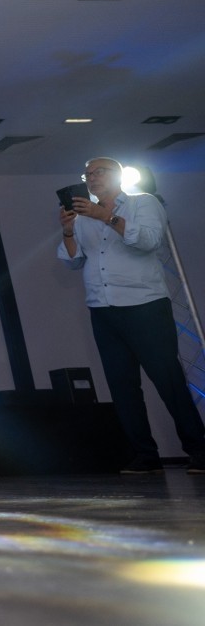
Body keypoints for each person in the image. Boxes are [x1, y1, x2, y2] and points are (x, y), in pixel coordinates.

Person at [59, 157, 205, 474]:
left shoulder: (143, 202)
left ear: (119, 175)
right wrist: (69, 231)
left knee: (168, 380)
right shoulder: (83, 216)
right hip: (102, 308)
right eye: (87, 173)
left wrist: (106, 216)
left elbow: (149, 241)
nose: (92, 177)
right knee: (123, 387)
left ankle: (200, 450)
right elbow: (73, 262)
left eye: (99, 172)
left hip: (145, 305)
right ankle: (145, 455)